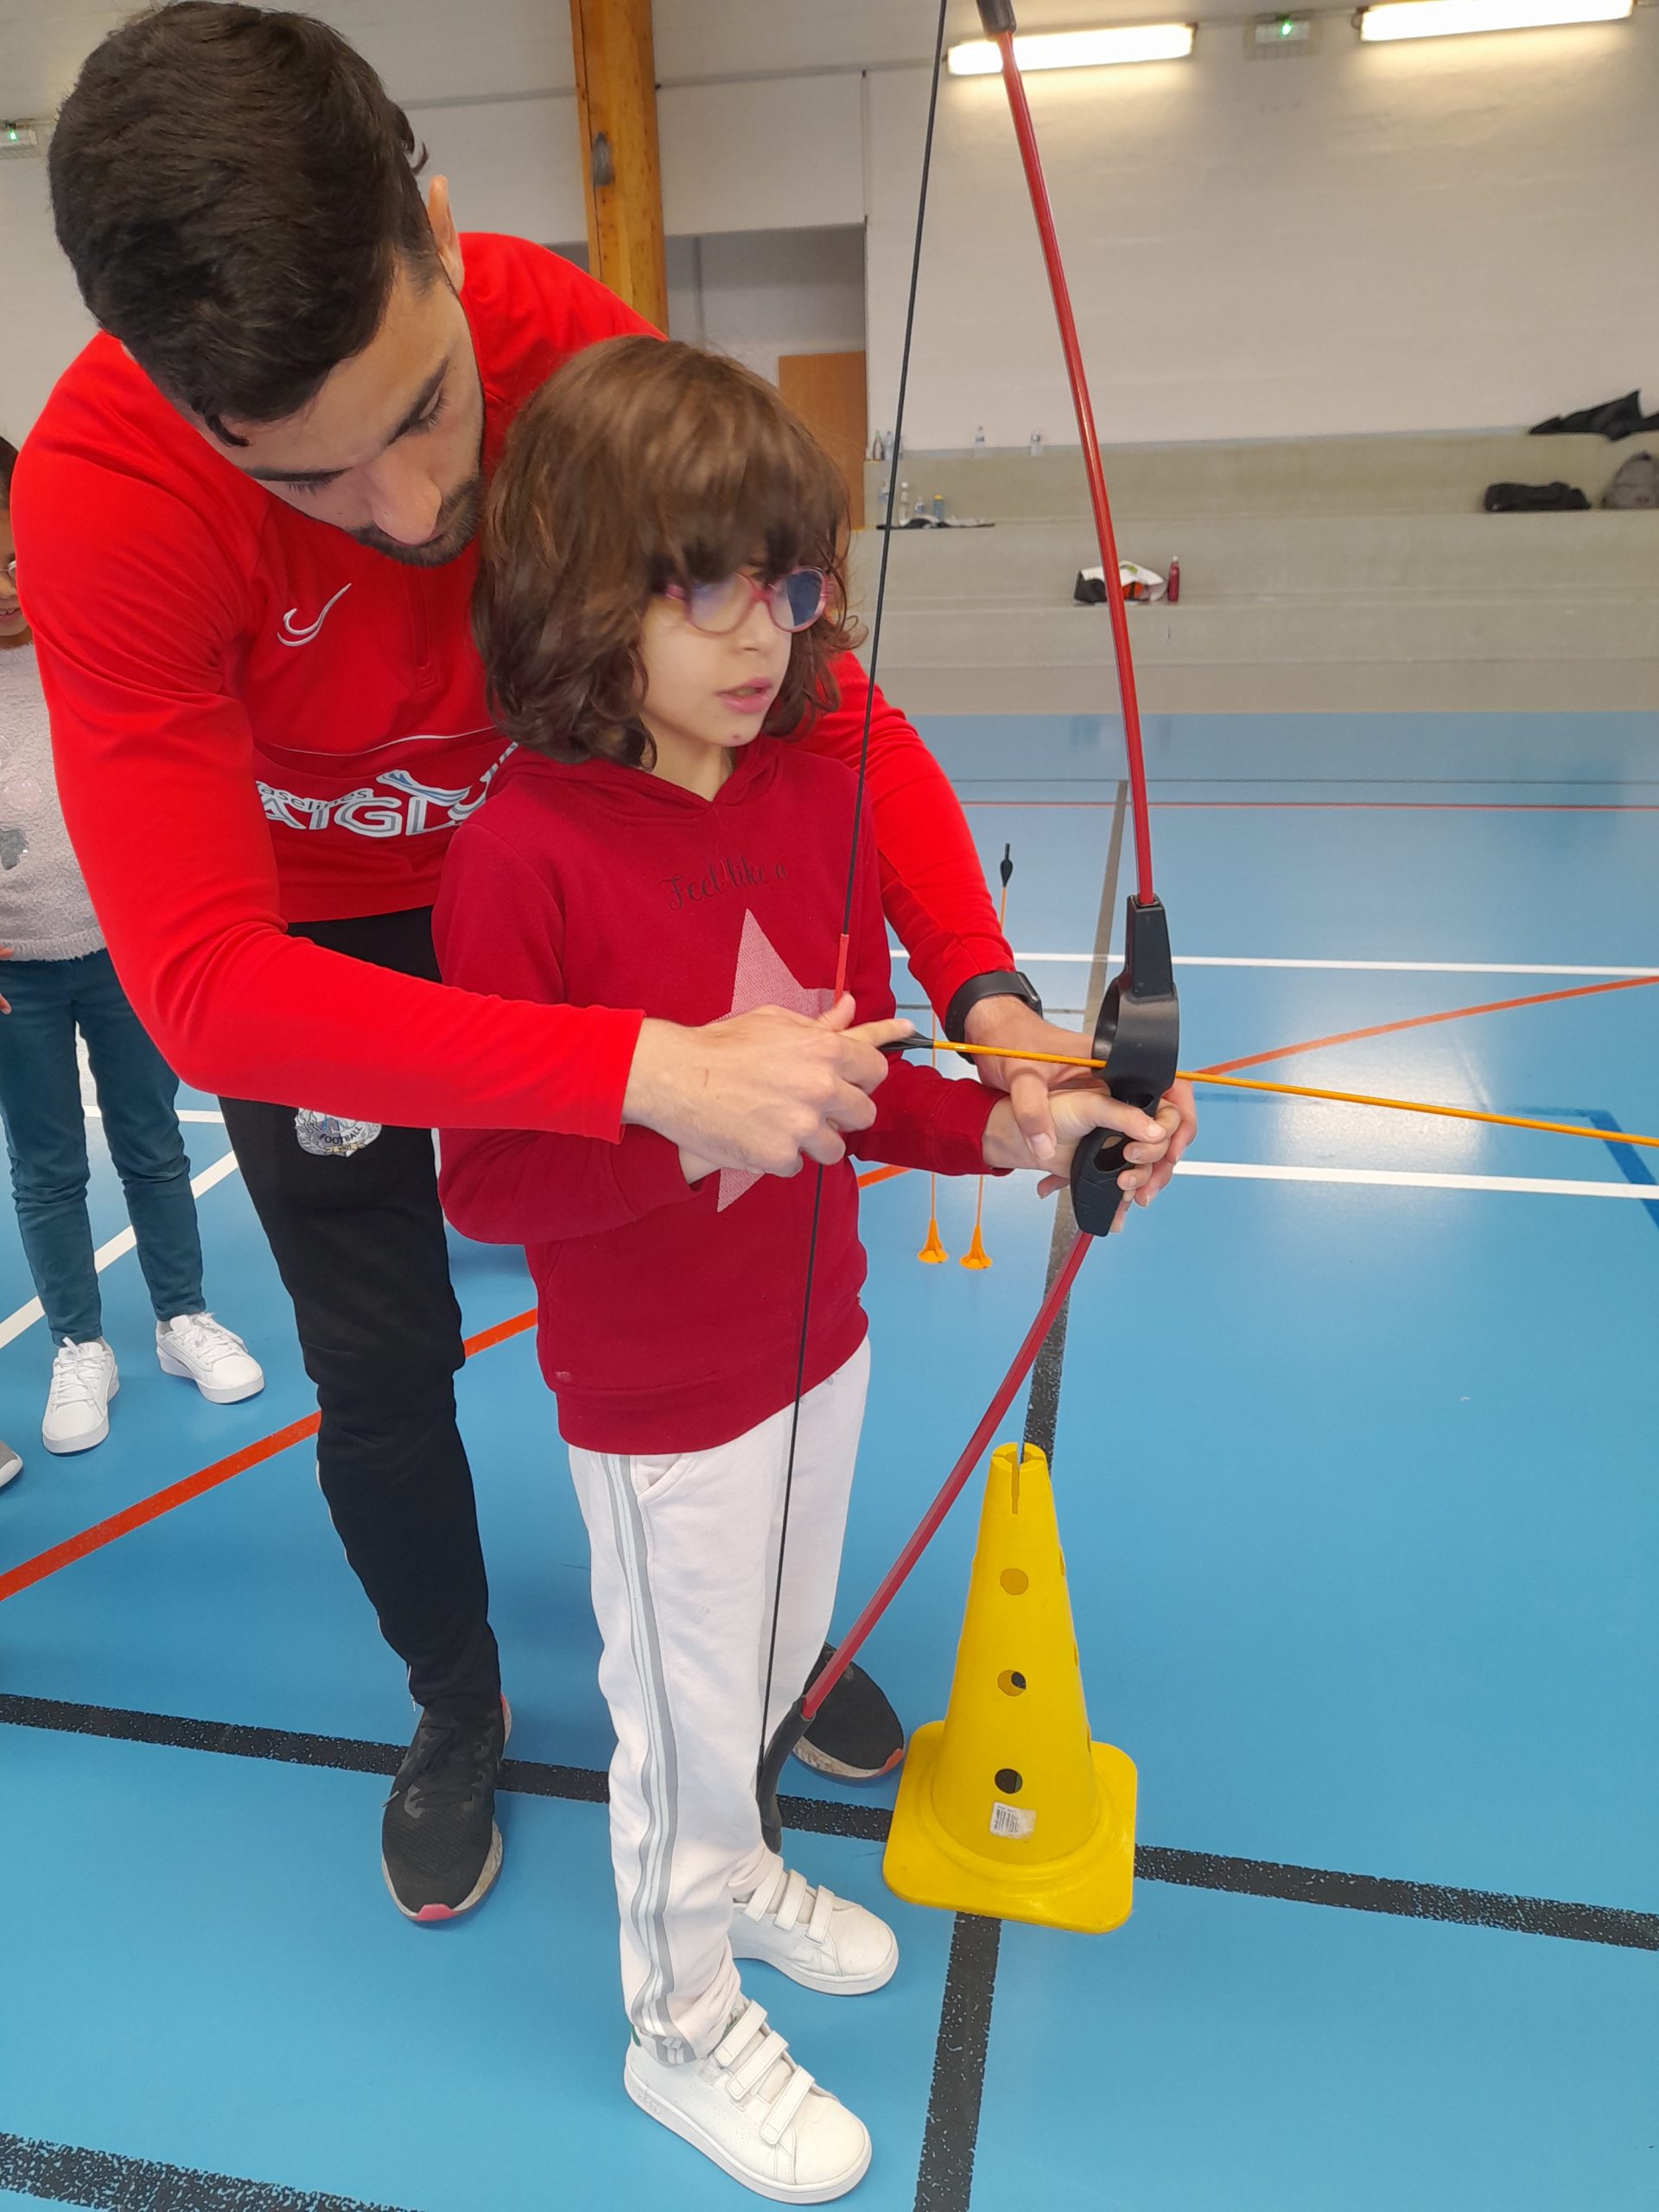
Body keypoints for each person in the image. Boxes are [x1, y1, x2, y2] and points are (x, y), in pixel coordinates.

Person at [15, 4, 1196, 1925]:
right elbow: (208, 983)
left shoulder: (563, 348)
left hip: (559, 859)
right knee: (381, 1364)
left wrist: (981, 1008)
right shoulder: (103, 498)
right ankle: (455, 1700)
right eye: (311, 483)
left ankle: (760, 1643)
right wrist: (646, 1066)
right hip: (314, 941)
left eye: (418, 412)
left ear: (440, 228)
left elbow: (826, 711)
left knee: (727, 1230)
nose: (412, 514)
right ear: (177, 401)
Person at [435, 339, 1178, 2200]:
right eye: (700, 583)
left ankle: (745, 1876)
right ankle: (676, 2013)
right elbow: (488, 1182)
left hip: (815, 1338)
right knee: (679, 1724)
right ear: (577, 592)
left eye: (787, 582)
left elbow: (858, 1084)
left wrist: (1017, 1126)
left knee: (765, 1668)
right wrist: (688, 1112)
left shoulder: (805, 788)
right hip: (658, 1398)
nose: (760, 632)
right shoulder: (518, 855)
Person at [0, 435, 263, 1461]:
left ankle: (179, 1317)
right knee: (48, 1163)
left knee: (152, 1140)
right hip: (18, 966)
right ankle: (78, 1342)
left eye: (20, 563)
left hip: (119, 947)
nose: (10, 590)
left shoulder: (88, 646)